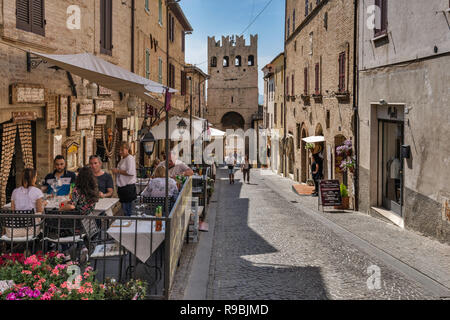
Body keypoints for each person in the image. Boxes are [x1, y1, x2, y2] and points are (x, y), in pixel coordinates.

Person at [8, 168, 45, 238]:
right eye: (36, 177)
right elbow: (39, 211)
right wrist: (43, 204)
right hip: (32, 229)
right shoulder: (37, 192)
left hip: (16, 228)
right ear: (33, 178)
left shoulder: (15, 192)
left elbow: (13, 211)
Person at [112, 142, 137, 217]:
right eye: (119, 150)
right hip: (122, 188)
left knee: (128, 212)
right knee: (125, 211)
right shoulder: (123, 159)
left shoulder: (130, 158)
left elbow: (131, 172)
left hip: (128, 188)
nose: (120, 152)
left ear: (127, 149)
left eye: (122, 150)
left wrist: (118, 171)